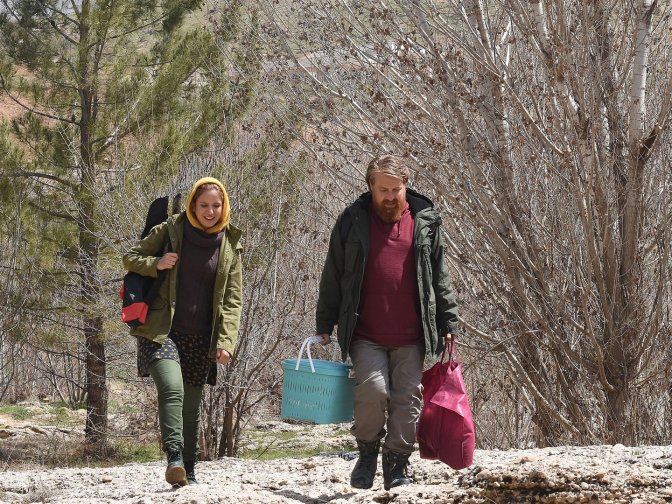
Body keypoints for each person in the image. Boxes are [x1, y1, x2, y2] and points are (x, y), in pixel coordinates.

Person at [316, 154, 459, 491]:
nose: (391, 197)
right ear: (370, 187)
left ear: (406, 186)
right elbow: (333, 273)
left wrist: (448, 320)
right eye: (383, 190)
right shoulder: (351, 221)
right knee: (373, 391)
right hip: (365, 332)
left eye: (397, 189)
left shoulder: (424, 221)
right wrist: (325, 322)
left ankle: (397, 464)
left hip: (412, 334)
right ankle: (367, 453)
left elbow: (439, 275)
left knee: (407, 398)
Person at [123, 177, 243, 487]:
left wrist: (226, 341)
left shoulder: (230, 243)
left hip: (201, 337)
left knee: (191, 407)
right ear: (192, 205)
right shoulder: (172, 229)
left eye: (216, 206)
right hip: (162, 330)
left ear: (224, 207)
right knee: (172, 389)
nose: (210, 212)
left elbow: (232, 300)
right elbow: (130, 258)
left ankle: (188, 470)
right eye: (203, 205)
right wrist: (157, 263)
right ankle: (173, 457)